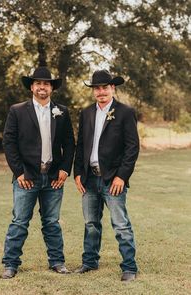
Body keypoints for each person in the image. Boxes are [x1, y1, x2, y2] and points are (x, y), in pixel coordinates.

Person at [1, 66, 75, 279]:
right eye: (38, 83)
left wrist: (64, 169)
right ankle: (10, 264)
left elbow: (70, 144)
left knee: (52, 222)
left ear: (51, 87)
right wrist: (19, 172)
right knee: (20, 221)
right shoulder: (17, 110)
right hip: (27, 177)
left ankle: (57, 261)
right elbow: (9, 142)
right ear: (32, 87)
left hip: (53, 178)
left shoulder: (62, 111)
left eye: (46, 83)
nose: (42, 87)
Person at [74, 69, 139, 282]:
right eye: (97, 88)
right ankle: (90, 261)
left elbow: (132, 148)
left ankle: (129, 266)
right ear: (93, 91)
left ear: (113, 88)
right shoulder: (86, 113)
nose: (101, 91)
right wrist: (78, 173)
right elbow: (81, 145)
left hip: (113, 179)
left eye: (105, 87)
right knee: (91, 223)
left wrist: (122, 176)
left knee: (120, 224)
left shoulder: (125, 112)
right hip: (89, 179)